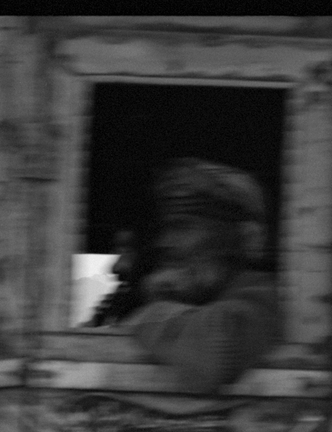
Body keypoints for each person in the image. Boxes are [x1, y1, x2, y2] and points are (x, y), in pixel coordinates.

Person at [113, 158, 283, 393]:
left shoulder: (264, 298)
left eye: (183, 227)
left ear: (246, 237)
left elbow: (215, 355)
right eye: (167, 229)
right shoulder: (206, 303)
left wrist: (150, 314)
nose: (165, 243)